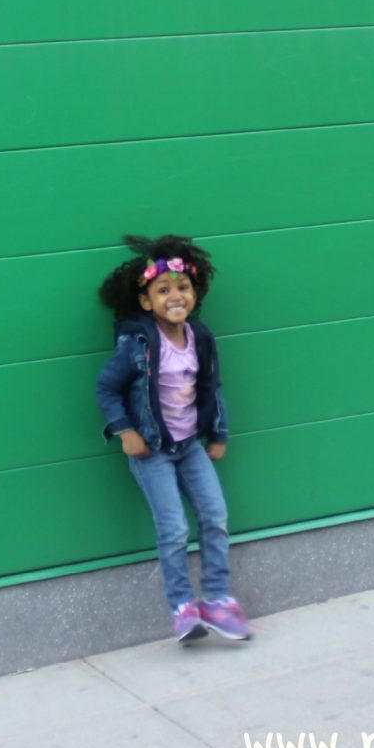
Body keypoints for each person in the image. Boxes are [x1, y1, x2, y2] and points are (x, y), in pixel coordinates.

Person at [95, 233, 254, 644]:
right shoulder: (139, 344)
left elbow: (212, 386)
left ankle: (217, 599)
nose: (175, 296)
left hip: (190, 447)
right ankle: (183, 608)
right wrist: (125, 432)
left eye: (182, 287)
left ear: (195, 294)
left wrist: (218, 433)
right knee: (174, 529)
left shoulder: (200, 338)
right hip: (151, 452)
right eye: (163, 290)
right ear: (147, 302)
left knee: (215, 517)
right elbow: (106, 388)